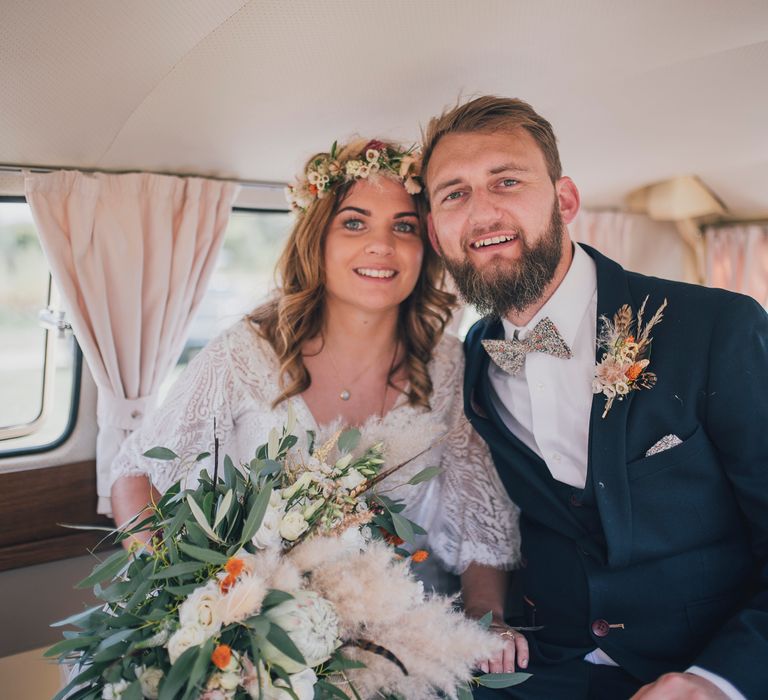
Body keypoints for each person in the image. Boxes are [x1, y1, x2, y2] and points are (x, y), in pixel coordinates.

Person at [109, 137, 527, 670]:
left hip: (399, 639)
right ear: (317, 241)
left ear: (427, 246)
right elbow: (136, 474)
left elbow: (480, 521)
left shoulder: (450, 367)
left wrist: (486, 620)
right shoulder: (245, 352)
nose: (382, 246)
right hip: (255, 632)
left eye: (404, 226)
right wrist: (180, 600)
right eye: (355, 223)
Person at [420, 96, 768, 700]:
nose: (482, 212)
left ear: (565, 200)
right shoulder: (470, 361)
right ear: (435, 229)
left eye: (507, 181)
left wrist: (720, 680)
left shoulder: (716, 328)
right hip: (538, 669)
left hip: (705, 663)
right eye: (454, 193)